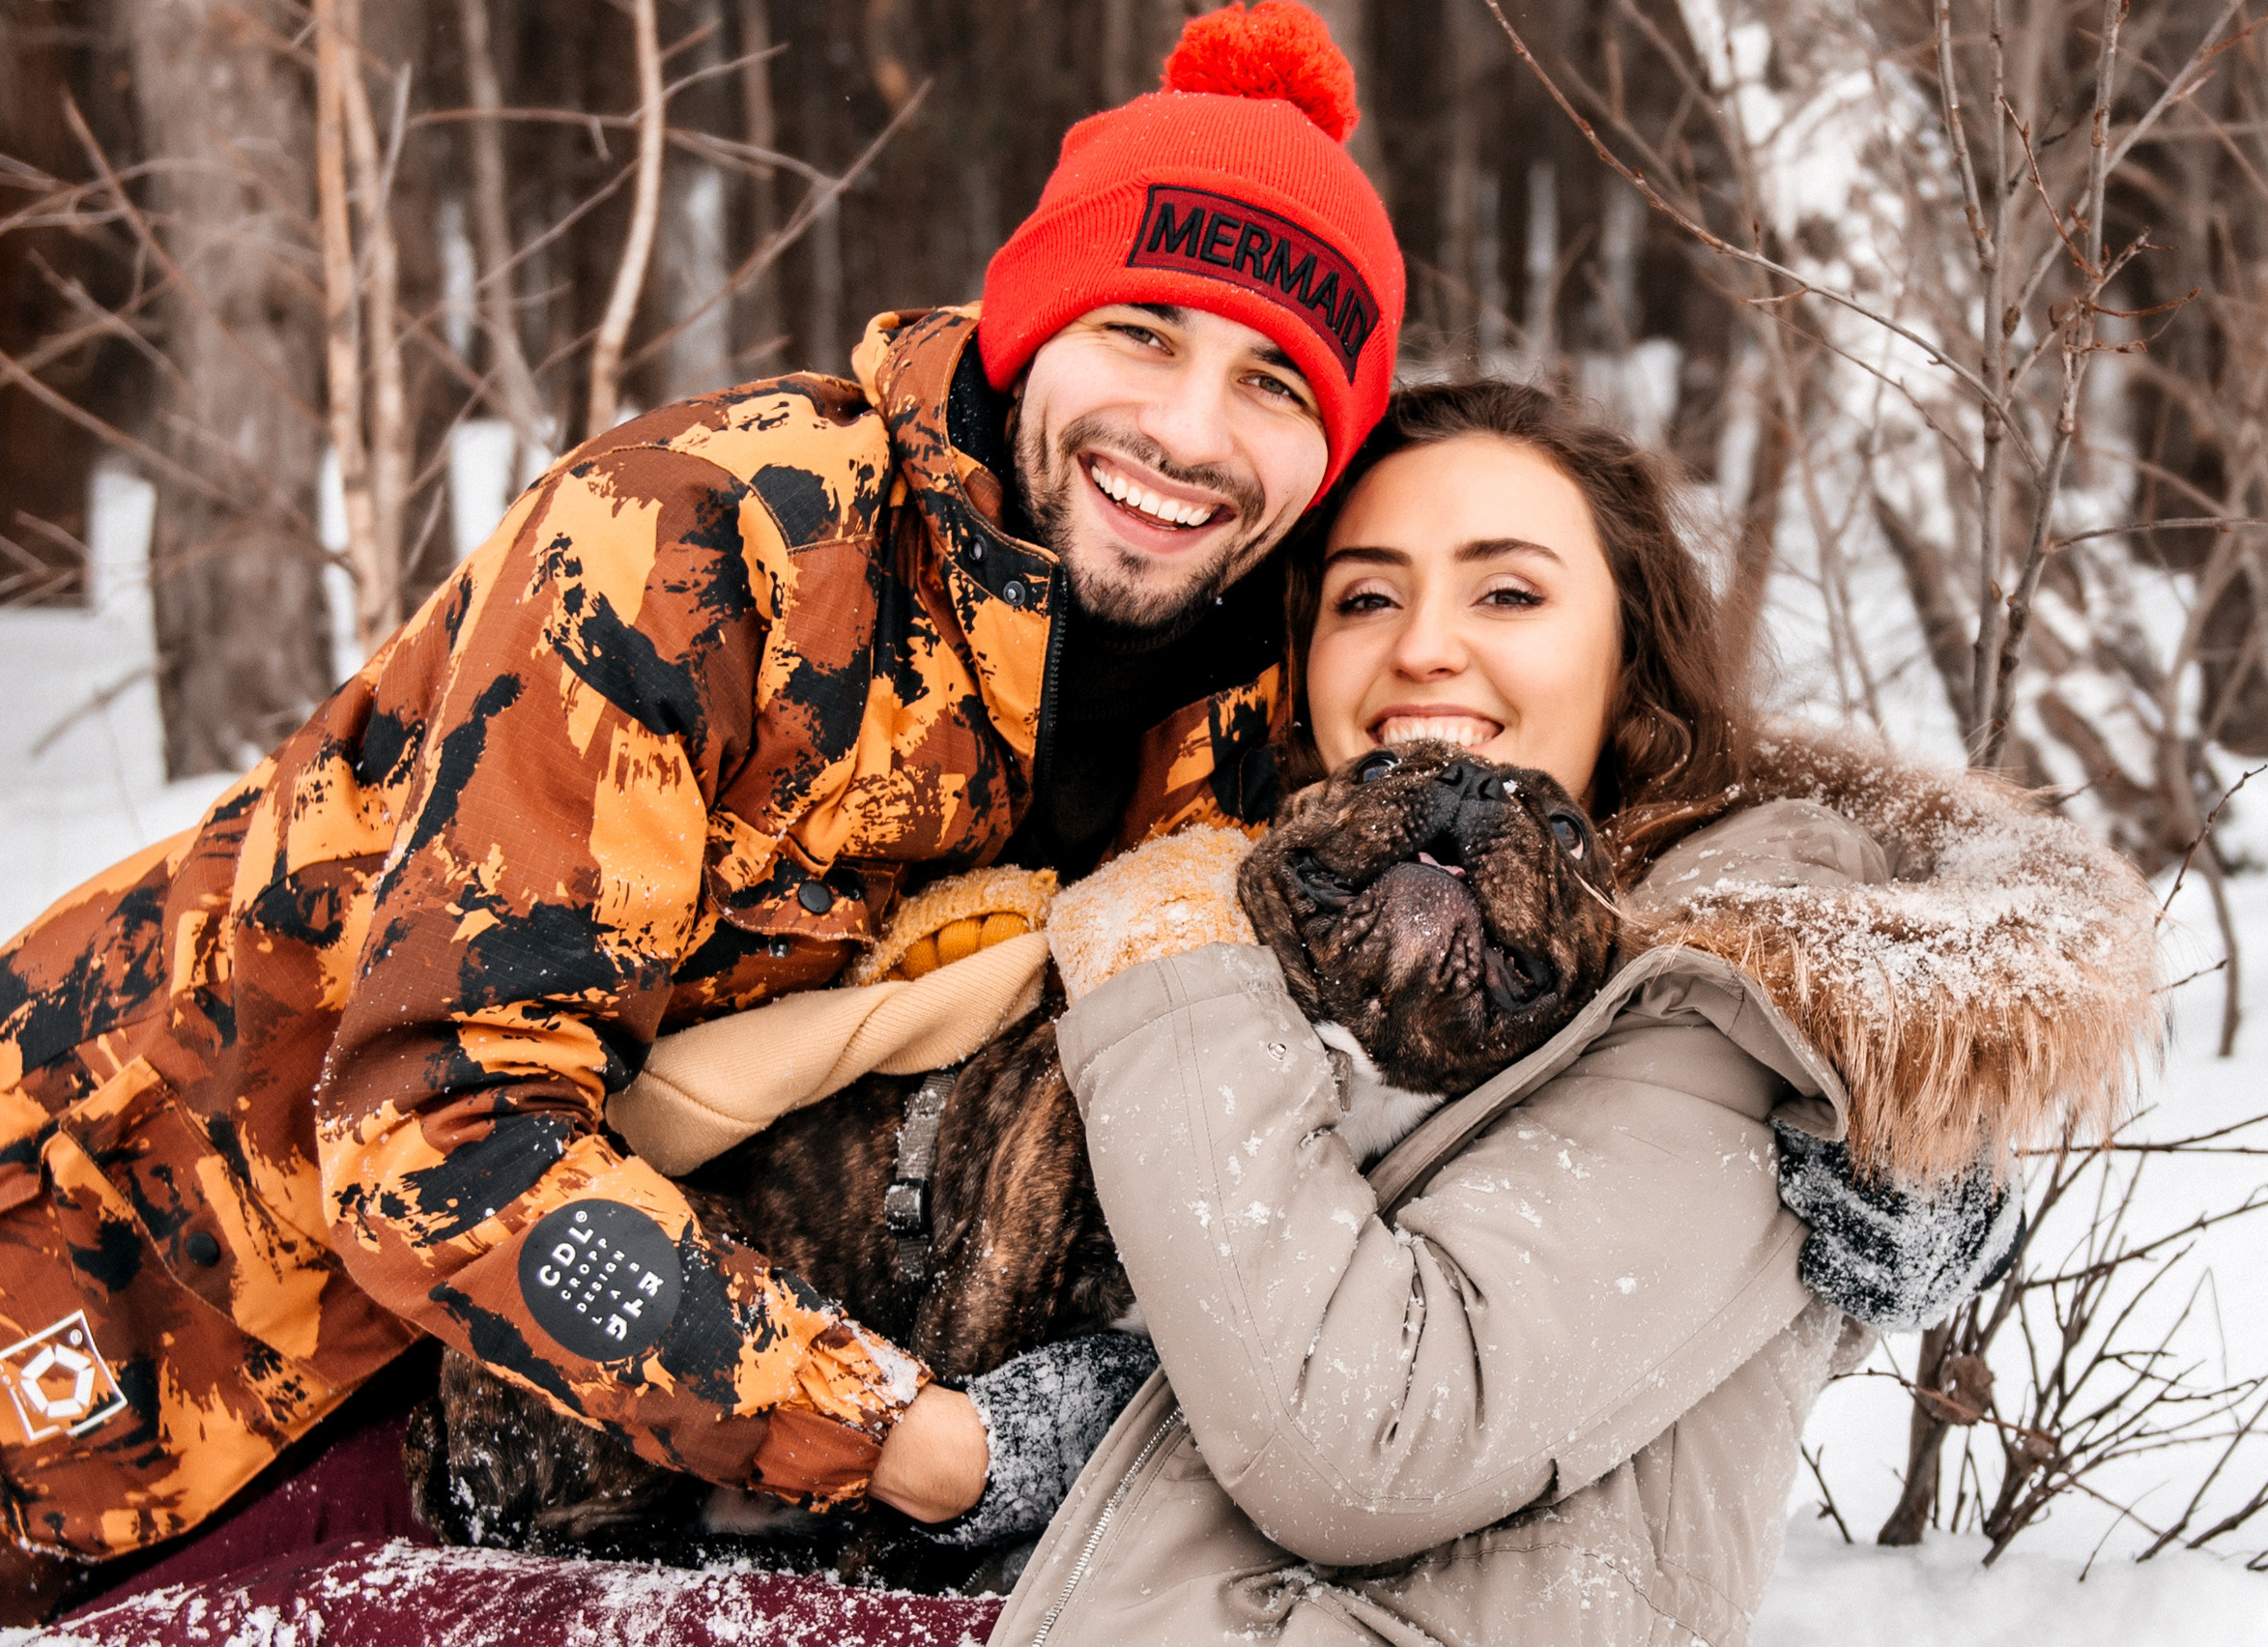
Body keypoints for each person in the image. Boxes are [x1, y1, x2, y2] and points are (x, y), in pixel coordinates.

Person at [0, 4, 1405, 1621]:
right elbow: (437, 1133)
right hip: (148, 1294)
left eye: (1277, 381)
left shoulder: (1258, 692)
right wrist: (897, 1439)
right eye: (1142, 332)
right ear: (1031, 321)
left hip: (537, 1421)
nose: (1187, 434)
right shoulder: (707, 535)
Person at [1003, 381, 2162, 1644]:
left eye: (1508, 591)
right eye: (1367, 596)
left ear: (1632, 653)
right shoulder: (1254, 897)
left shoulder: (1739, 961)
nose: (1426, 646)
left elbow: (1369, 1437)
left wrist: (1167, 972)